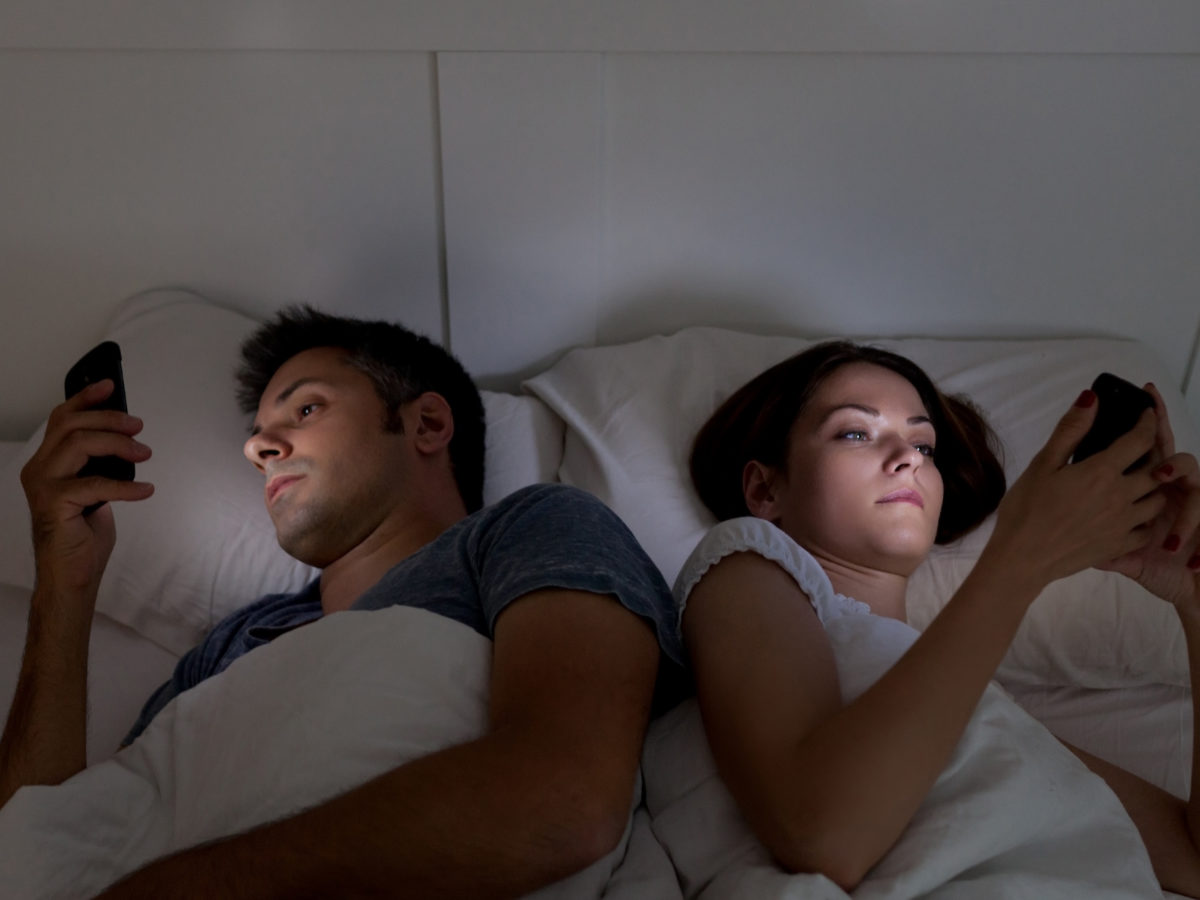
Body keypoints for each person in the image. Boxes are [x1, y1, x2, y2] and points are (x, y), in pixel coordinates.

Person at [0, 306, 685, 898]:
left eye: (306, 408)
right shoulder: (231, 647)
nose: (259, 447)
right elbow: (43, 846)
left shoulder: (532, 530)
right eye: (258, 444)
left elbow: (566, 801)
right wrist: (65, 587)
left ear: (427, 423)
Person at [674, 341, 1200, 895]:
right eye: (855, 432)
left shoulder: (981, 707)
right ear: (764, 487)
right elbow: (824, 835)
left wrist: (1193, 599)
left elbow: (1191, 862)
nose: (907, 456)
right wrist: (1021, 559)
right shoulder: (740, 563)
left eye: (925, 444)